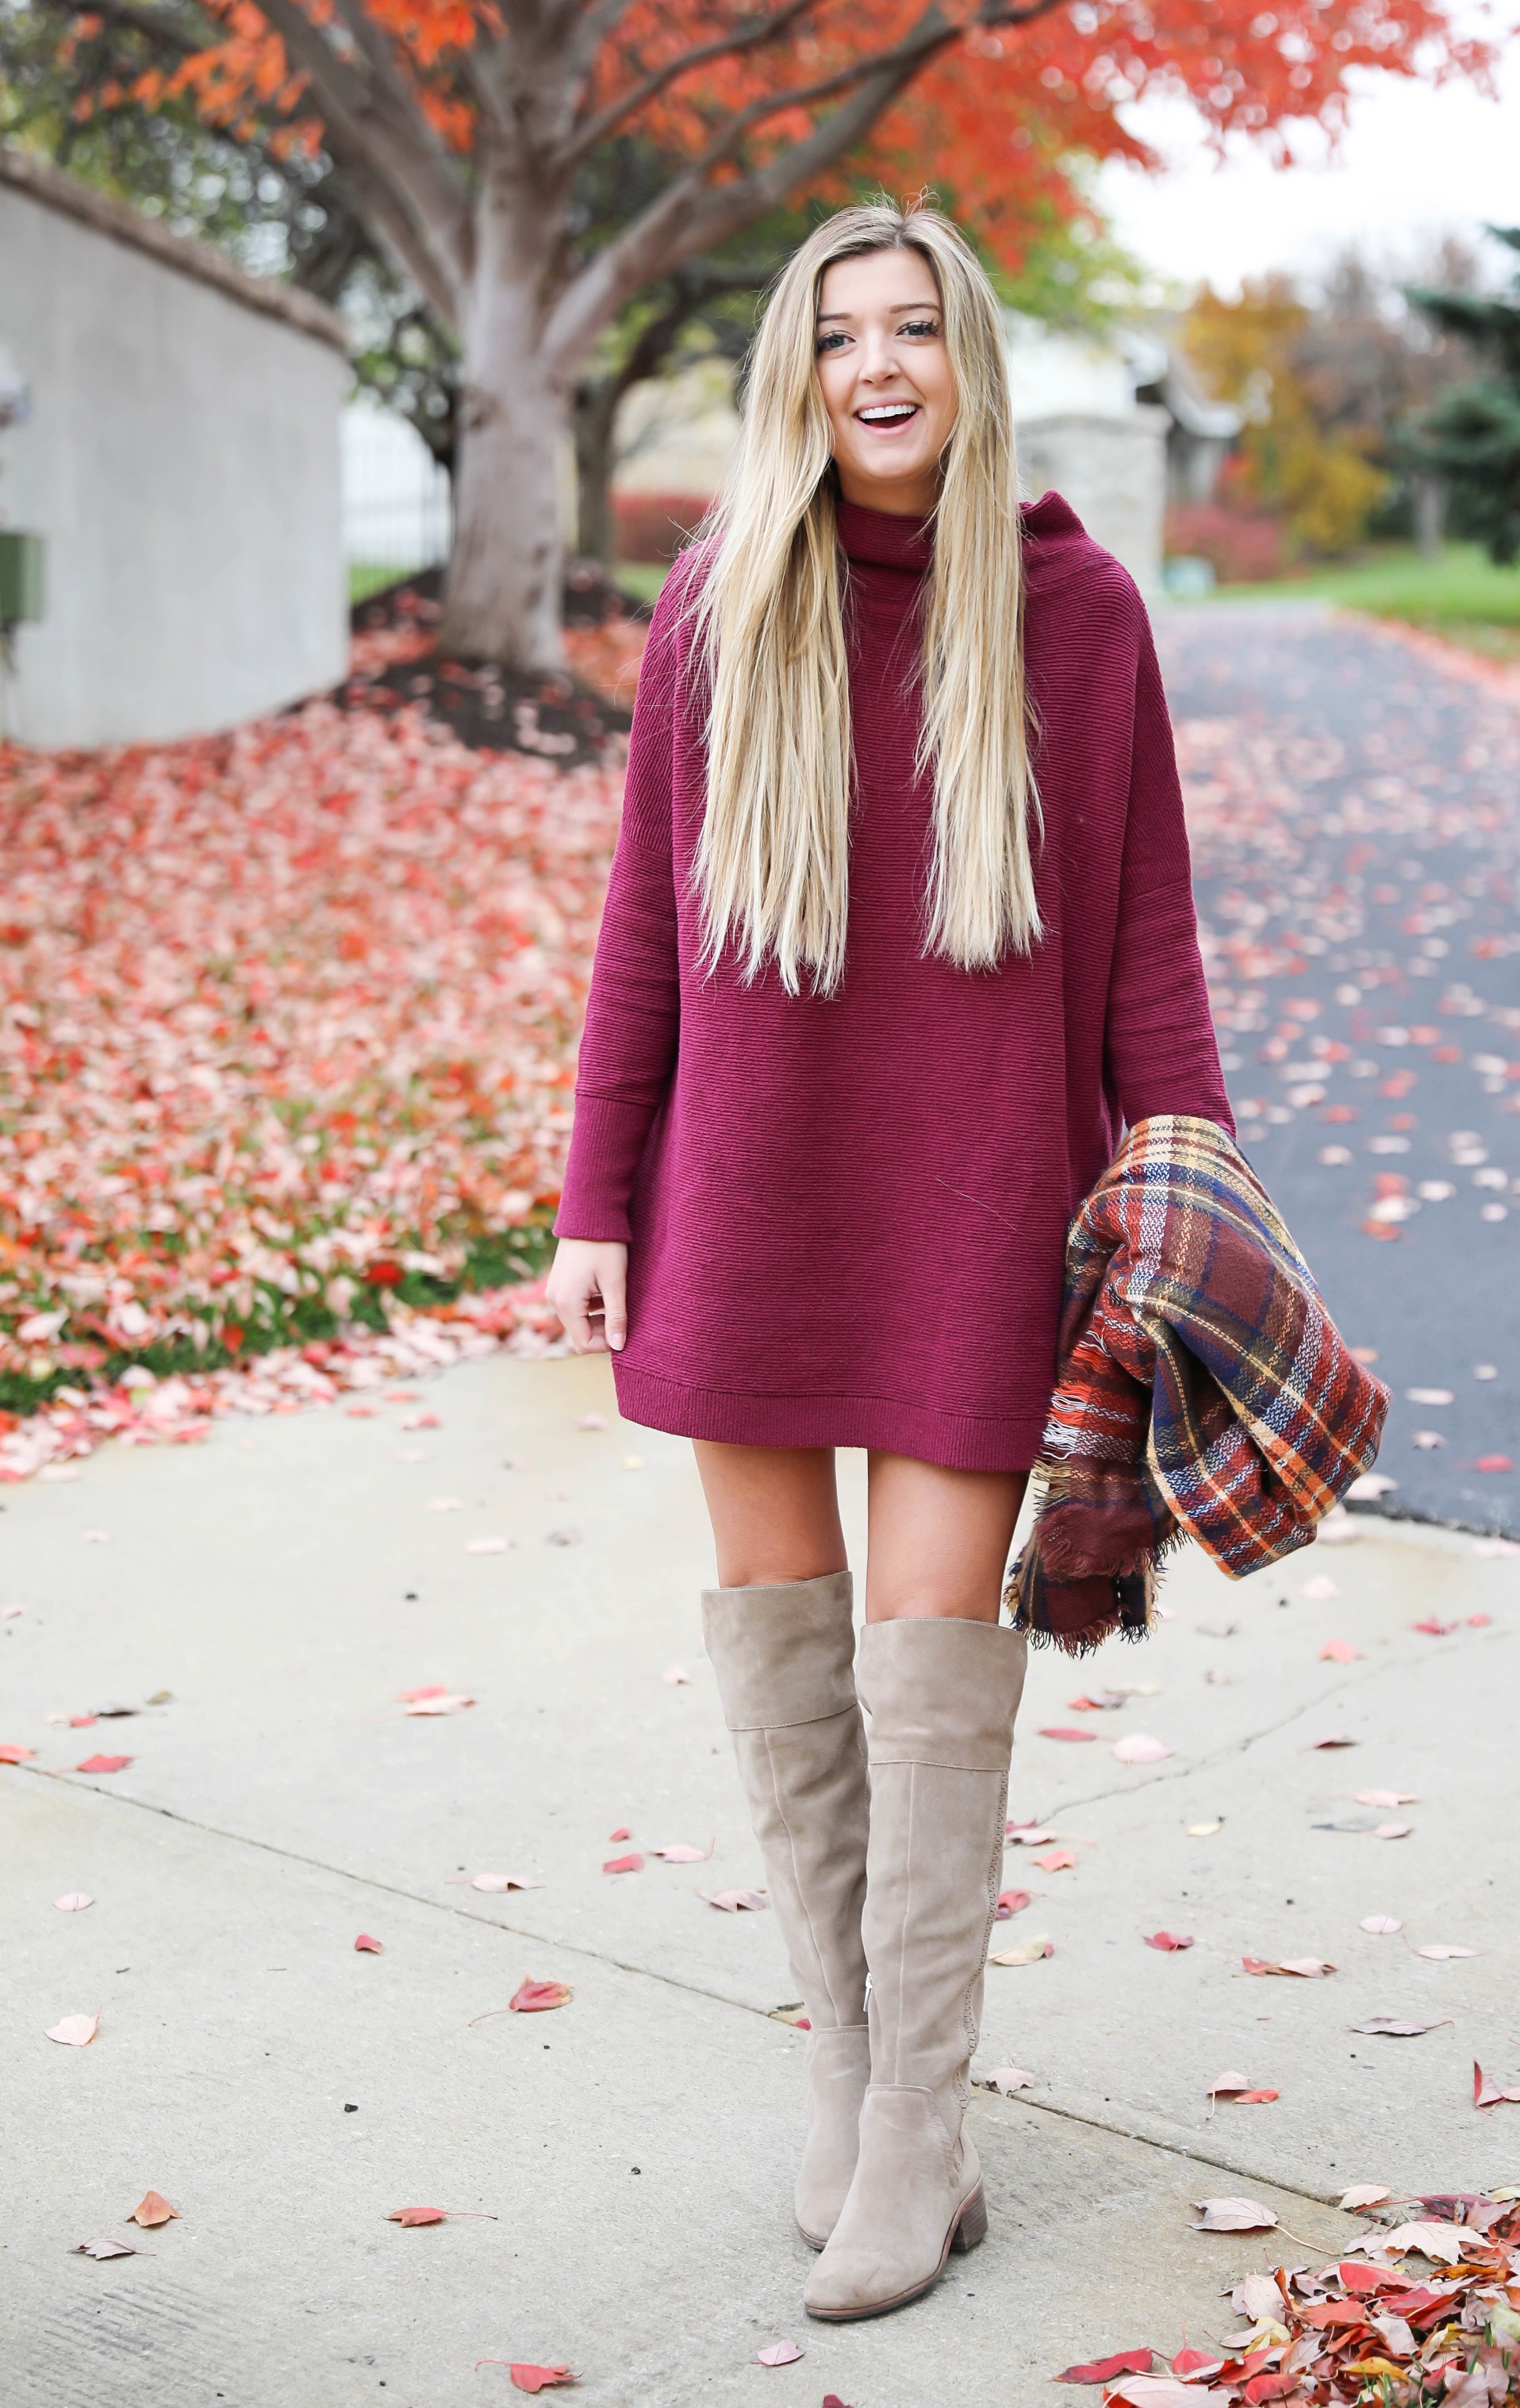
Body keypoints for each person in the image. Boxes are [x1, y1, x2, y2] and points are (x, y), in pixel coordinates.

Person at [547, 202, 1231, 2322]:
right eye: (838, 332)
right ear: (795, 372)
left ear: (968, 358)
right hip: (743, 1198)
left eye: (913, 327)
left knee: (930, 1676)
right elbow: (646, 935)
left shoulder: (1079, 616)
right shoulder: (713, 603)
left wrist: (1186, 1206)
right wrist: (595, 1203)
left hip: (972, 1205)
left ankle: (926, 2123)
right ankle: (855, 2086)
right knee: (782, 1661)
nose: (876, 364)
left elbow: (1148, 951)